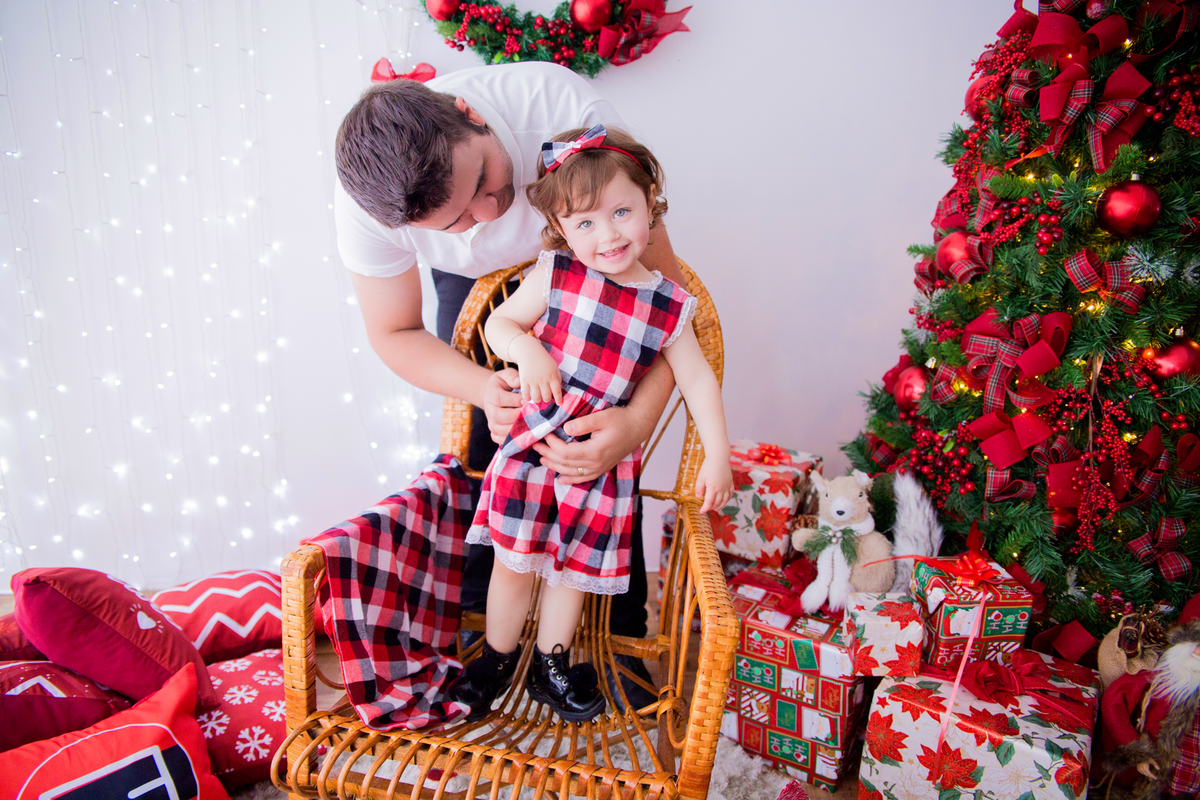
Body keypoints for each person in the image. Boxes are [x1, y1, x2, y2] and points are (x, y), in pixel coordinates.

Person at [334, 63, 680, 704]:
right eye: (457, 222)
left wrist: (631, 427)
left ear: (471, 113)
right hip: (473, 297)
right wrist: (482, 386)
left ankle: (617, 649)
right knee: (485, 472)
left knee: (596, 471)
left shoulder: (562, 107)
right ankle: (486, 654)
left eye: (488, 184)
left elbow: (667, 308)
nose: (489, 214)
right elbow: (394, 332)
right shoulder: (369, 210)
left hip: (587, 266)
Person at [446, 125, 733, 722]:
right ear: (562, 231)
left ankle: (552, 665)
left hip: (597, 463)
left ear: (650, 203)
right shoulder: (556, 274)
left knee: (571, 571)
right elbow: (499, 326)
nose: (607, 235)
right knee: (512, 559)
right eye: (584, 224)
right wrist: (529, 352)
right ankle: (497, 657)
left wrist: (718, 454)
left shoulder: (669, 306)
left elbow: (698, 380)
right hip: (533, 445)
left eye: (621, 211)